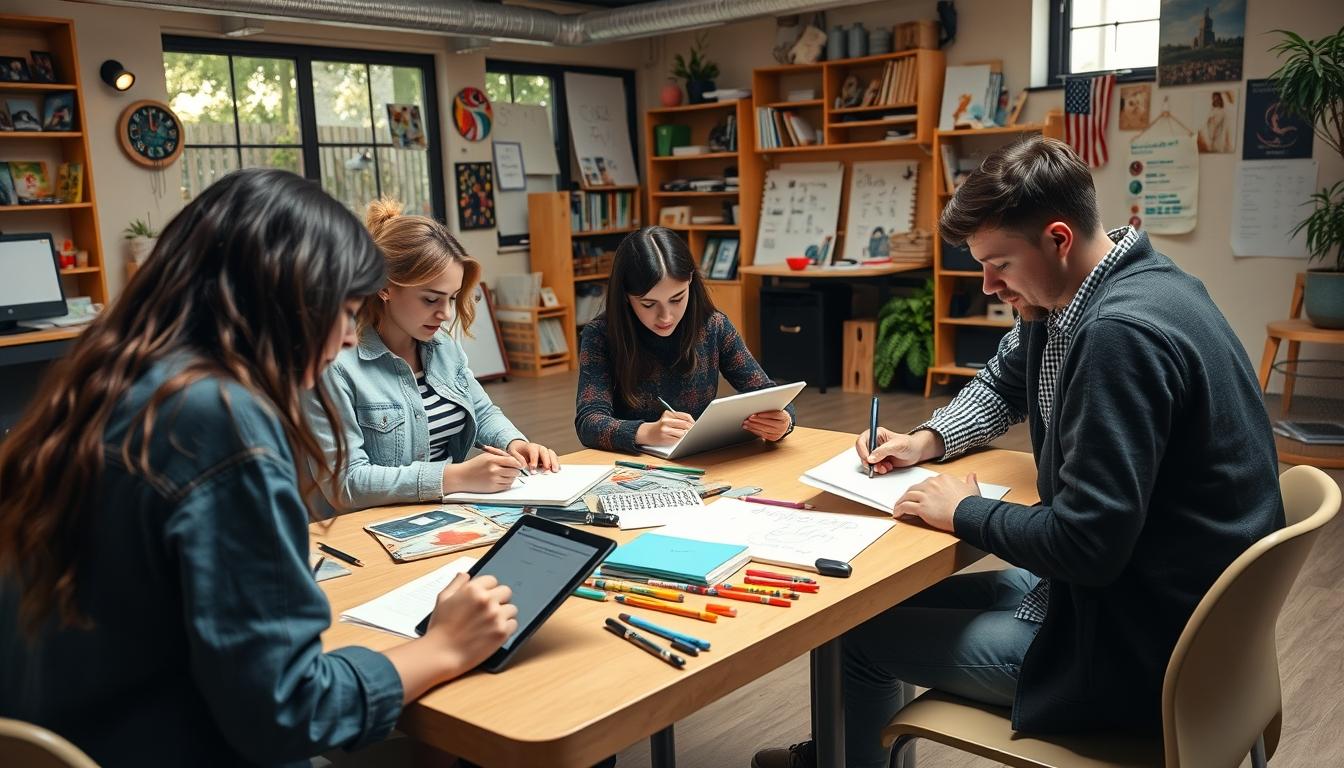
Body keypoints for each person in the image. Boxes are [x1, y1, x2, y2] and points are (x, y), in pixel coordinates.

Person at [753, 136, 1284, 768]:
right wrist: (928, 439)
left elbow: (1088, 545)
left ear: (1058, 239)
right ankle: (846, 750)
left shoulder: (1118, 337)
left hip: (1132, 644)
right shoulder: (1123, 284)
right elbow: (1006, 380)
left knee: (849, 639)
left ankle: (844, 757)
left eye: (998, 264)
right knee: (875, 602)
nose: (987, 284)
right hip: (1173, 608)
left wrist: (966, 512)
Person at [0, 169, 518, 766]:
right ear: (284, 302)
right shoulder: (219, 423)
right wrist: (444, 646)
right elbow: (292, 710)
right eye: (344, 312)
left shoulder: (104, 382)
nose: (349, 339)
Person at [310, 198, 557, 512]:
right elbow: (344, 483)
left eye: (452, 299)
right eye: (430, 299)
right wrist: (452, 477)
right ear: (384, 287)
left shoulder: (442, 348)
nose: (446, 314)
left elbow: (481, 412)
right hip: (369, 532)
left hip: (444, 514)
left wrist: (515, 443)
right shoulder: (335, 365)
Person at [576, 226, 794, 452]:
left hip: (702, 458)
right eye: (649, 304)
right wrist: (647, 432)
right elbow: (589, 422)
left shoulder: (713, 326)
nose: (666, 317)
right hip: (635, 467)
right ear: (625, 296)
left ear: (690, 281)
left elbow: (768, 393)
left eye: (677, 298)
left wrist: (784, 421)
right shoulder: (601, 335)